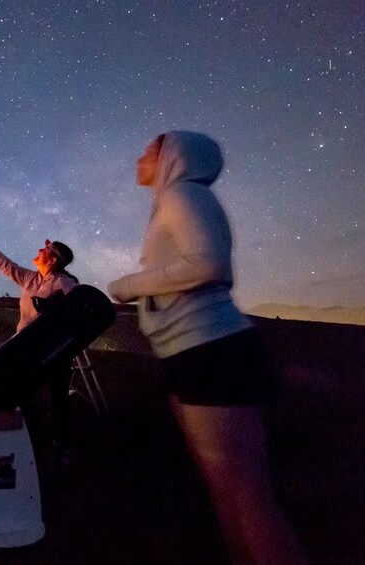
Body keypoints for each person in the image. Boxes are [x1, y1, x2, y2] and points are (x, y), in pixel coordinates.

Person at [108, 131, 307, 564]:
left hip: (213, 350)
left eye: (150, 149)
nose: (140, 154)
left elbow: (208, 264)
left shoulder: (183, 195)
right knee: (225, 493)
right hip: (192, 353)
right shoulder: (171, 201)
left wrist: (126, 286)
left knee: (247, 497)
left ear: (172, 158)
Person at [0, 230, 79, 467]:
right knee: (18, 397)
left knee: (57, 401)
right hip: (23, 349)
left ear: (53, 259)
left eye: (44, 250)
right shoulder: (31, 279)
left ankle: (62, 449)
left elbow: (72, 315)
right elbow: (5, 264)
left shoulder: (67, 284)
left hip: (52, 351)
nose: (38, 251)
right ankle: (22, 446)